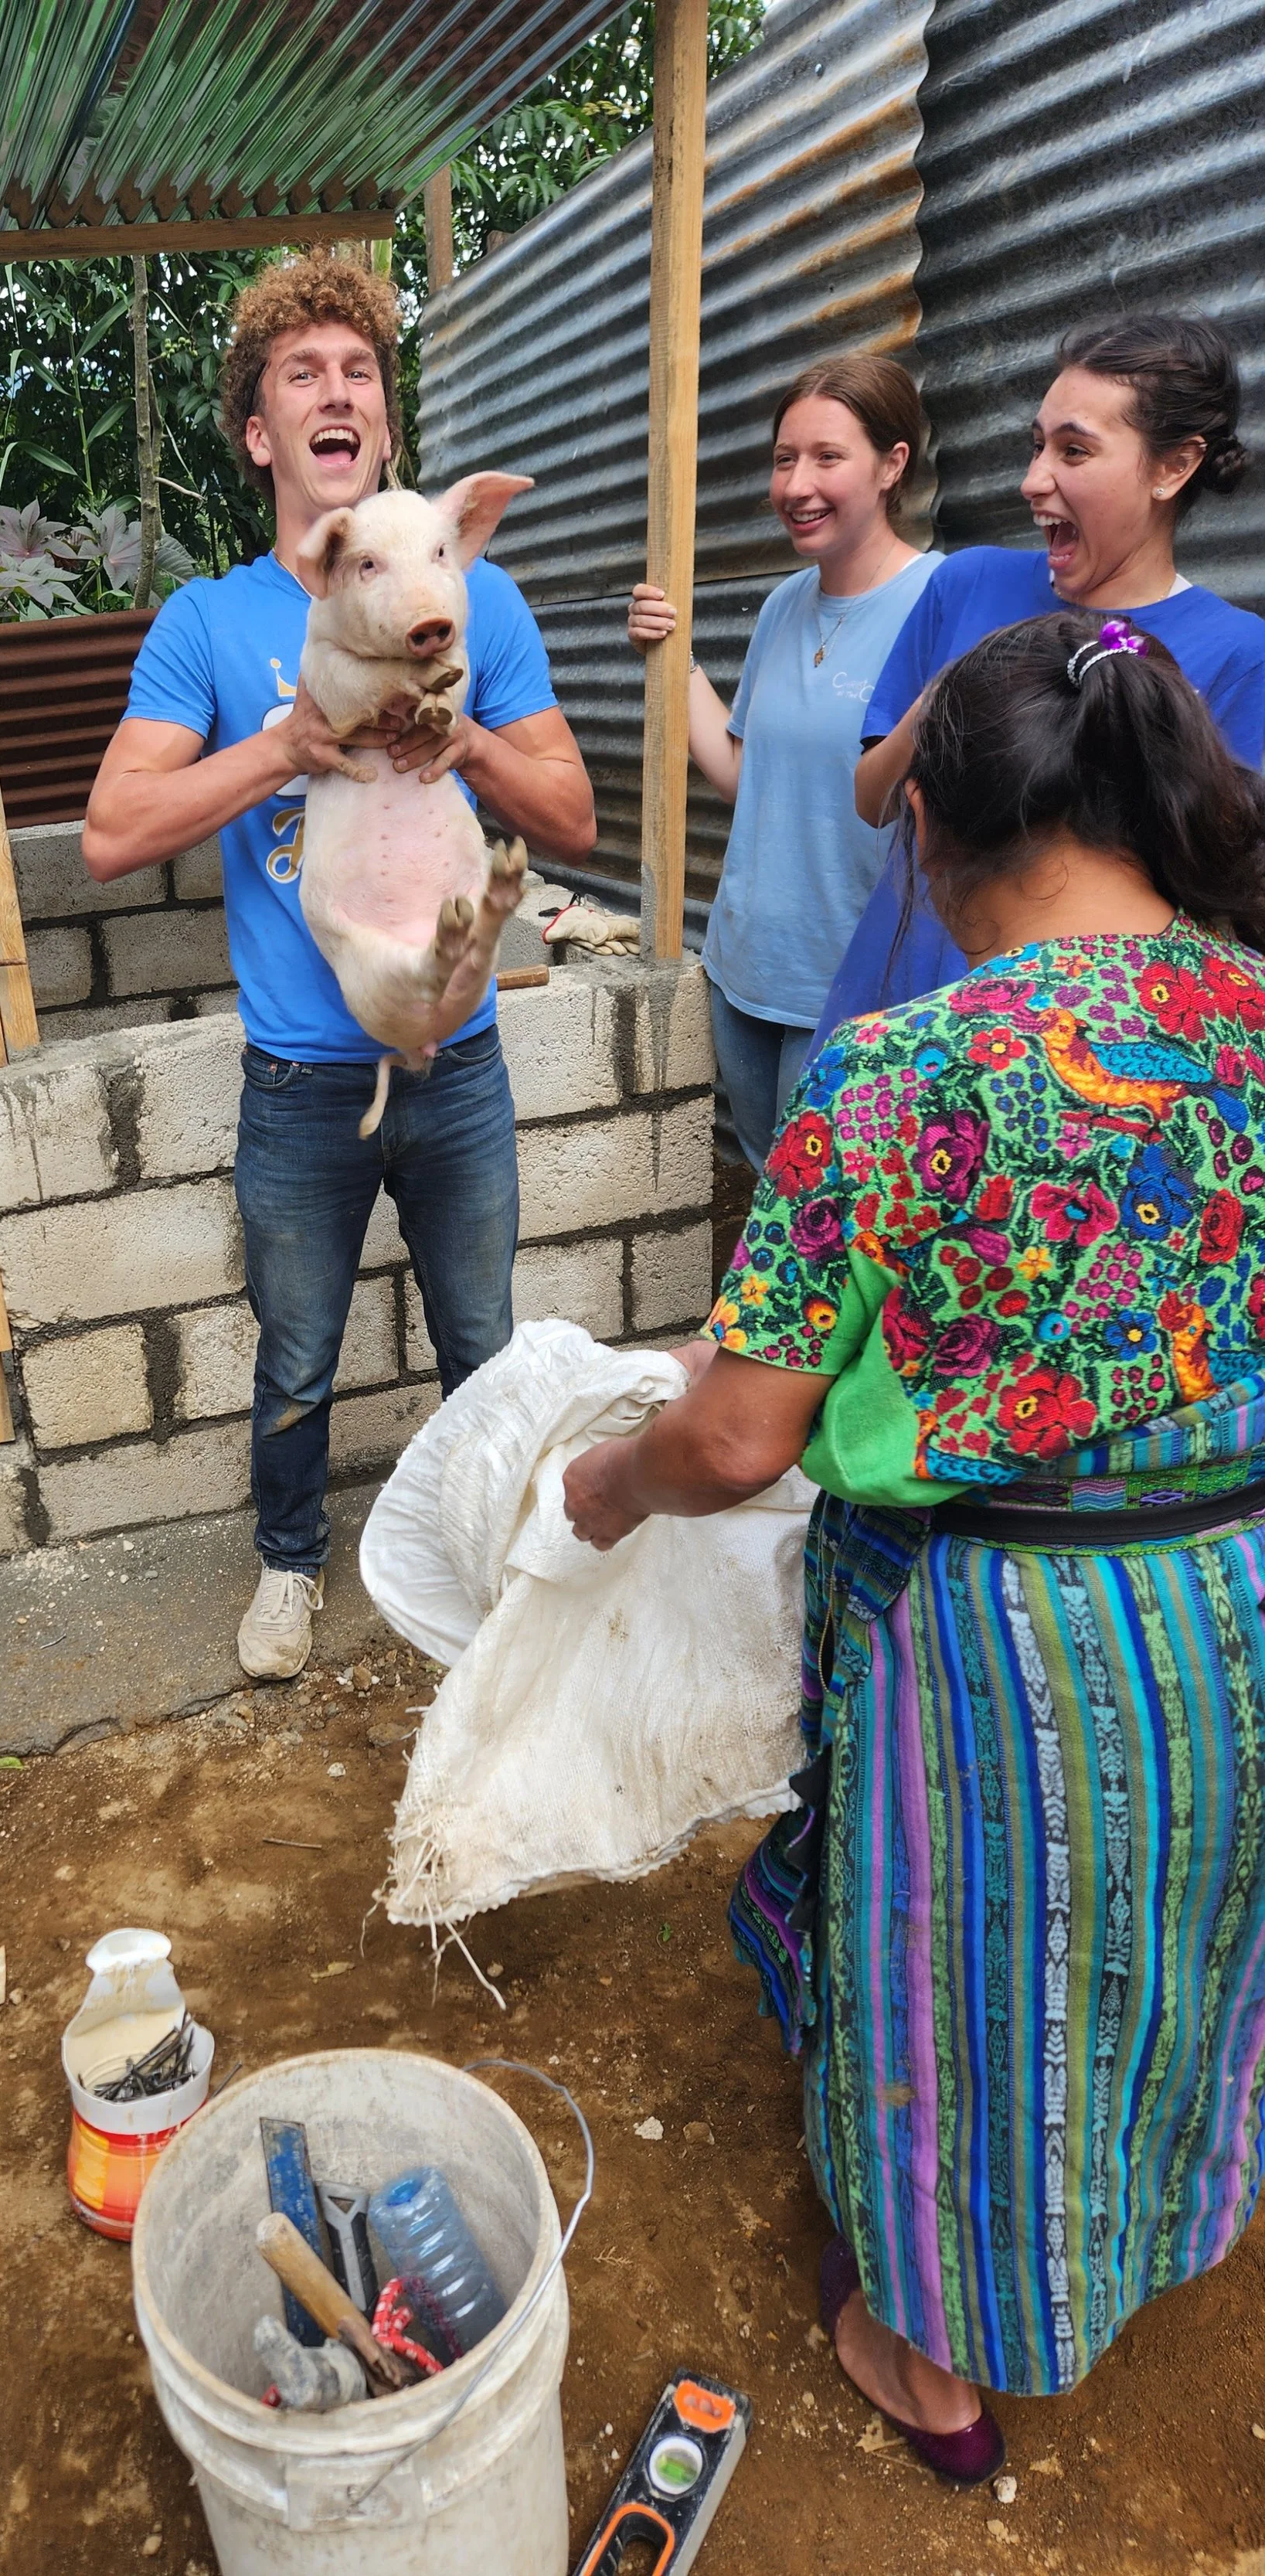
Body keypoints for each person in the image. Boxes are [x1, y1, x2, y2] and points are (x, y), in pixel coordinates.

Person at [560, 613, 1265, 2477]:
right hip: (1232, 1595)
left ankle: (929, 2350)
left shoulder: (900, 1075)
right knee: (1175, 1932)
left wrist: (610, 1483)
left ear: (932, 826)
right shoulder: (1252, 1018)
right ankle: (1157, 2226)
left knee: (981, 1979)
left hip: (1004, 1644)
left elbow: (735, 1435)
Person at [83, 253, 595, 1680]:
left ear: (386, 421)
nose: (338, 392)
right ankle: (291, 1563)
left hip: (459, 1062)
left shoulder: (470, 595)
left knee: (483, 1338)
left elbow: (571, 814)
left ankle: (495, 1562)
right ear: (261, 435)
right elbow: (114, 834)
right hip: (302, 1079)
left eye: (360, 371)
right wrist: (284, 749)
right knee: (297, 1349)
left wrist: (468, 740)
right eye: (302, 374)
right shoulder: (208, 622)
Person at [814, 311, 1265, 1043]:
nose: (1033, 480)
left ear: (1173, 467)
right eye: (1037, 445)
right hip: (896, 1004)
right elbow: (874, 801)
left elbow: (1219, 899)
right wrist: (942, 704)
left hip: (1078, 1052)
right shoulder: (966, 584)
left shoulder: (1238, 654)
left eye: (1074, 450)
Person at [628, 356, 938, 1162]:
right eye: (783, 459)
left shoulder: (935, 603)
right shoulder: (783, 605)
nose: (796, 485)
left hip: (853, 986)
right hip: (745, 972)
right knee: (771, 1193)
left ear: (891, 465)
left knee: (826, 1212)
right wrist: (672, 656)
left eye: (827, 457)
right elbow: (744, 775)